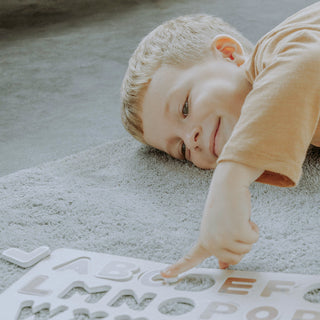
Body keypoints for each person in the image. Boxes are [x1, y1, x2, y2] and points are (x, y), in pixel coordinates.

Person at [120, 2, 320, 278]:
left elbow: (307, 63)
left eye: (185, 108)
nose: (192, 139)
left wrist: (230, 180)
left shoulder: (276, 50)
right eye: (182, 150)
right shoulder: (300, 125)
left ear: (230, 54)